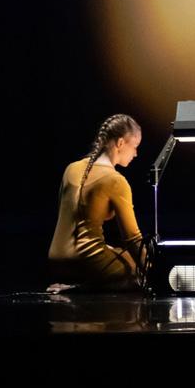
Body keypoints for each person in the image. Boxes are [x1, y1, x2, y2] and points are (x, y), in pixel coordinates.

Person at [47, 114, 145, 292]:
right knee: (136, 272)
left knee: (117, 252)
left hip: (56, 259)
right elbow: (132, 238)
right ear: (120, 143)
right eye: (135, 146)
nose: (136, 154)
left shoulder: (71, 169)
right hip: (86, 262)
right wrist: (152, 269)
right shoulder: (116, 181)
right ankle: (82, 290)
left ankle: (80, 286)